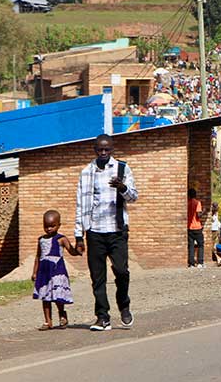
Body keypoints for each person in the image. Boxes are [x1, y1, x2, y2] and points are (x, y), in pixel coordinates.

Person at [75, 134, 138, 331]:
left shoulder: (122, 168)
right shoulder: (87, 172)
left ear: (112, 149)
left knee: (121, 271)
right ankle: (103, 317)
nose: (103, 153)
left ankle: (124, 305)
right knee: (97, 277)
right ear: (94, 149)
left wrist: (122, 187)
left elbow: (134, 196)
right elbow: (81, 205)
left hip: (117, 231)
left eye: (107, 150)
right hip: (95, 232)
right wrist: (79, 235)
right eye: (99, 150)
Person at [32, 209, 78, 330]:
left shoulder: (61, 239)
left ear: (59, 225)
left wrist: (78, 250)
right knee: (45, 297)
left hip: (57, 271)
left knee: (57, 295)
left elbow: (71, 251)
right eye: (46, 226)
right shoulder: (41, 240)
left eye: (52, 226)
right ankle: (48, 321)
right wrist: (34, 272)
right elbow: (37, 256)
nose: (49, 229)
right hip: (44, 272)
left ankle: (62, 315)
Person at [187, 188, 206, 268]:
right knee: (200, 245)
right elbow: (198, 215)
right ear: (195, 195)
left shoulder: (187, 203)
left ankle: (191, 263)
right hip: (197, 227)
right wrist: (204, 211)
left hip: (189, 227)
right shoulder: (197, 203)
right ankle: (200, 263)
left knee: (191, 246)